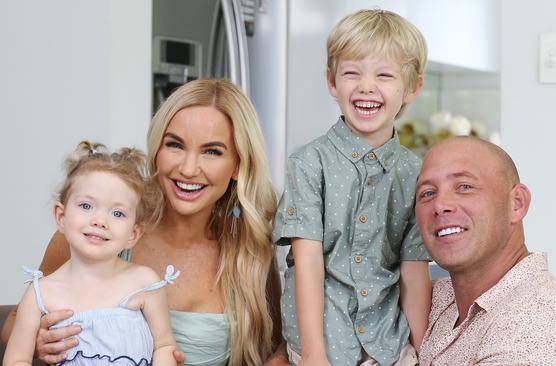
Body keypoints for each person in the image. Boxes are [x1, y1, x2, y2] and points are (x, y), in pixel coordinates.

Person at [2, 79, 287, 366]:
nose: (188, 169)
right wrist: (40, 340)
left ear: (238, 164)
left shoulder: (249, 251)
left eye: (212, 151)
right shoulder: (96, 235)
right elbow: (15, 324)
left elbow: (278, 347)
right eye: (175, 145)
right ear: (157, 151)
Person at [272, 9, 432, 366]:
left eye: (385, 75)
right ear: (332, 81)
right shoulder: (308, 164)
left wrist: (429, 352)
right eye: (351, 73)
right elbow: (308, 261)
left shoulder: (416, 173)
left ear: (412, 88)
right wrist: (314, 355)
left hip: (389, 345)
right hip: (322, 345)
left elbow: (413, 270)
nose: (366, 86)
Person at [414, 137, 556, 365]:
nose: (440, 205)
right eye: (427, 193)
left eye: (464, 187)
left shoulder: (541, 322)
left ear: (517, 203)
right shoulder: (437, 298)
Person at [3, 142, 178, 366]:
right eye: (86, 206)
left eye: (117, 213)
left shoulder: (144, 283)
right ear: (61, 216)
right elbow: (17, 360)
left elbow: (164, 346)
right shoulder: (41, 294)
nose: (100, 220)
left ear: (133, 234)